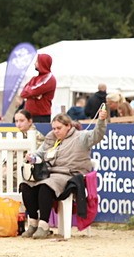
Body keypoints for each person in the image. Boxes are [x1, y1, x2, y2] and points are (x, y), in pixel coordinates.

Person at [19, 107, 108, 238]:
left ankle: (44, 225)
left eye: (59, 128)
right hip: (50, 173)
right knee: (26, 185)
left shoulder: (81, 137)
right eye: (54, 128)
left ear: (68, 126)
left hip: (69, 174)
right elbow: (40, 153)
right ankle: (33, 222)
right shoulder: (51, 138)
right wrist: (32, 157)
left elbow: (97, 135)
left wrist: (101, 120)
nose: (55, 131)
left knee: (46, 185)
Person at [19, 53, 55, 124]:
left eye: (37, 61)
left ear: (43, 63)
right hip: (29, 115)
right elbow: (22, 94)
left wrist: (30, 91)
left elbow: (34, 91)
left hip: (41, 116)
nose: (34, 64)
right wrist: (31, 91)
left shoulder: (49, 78)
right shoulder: (34, 79)